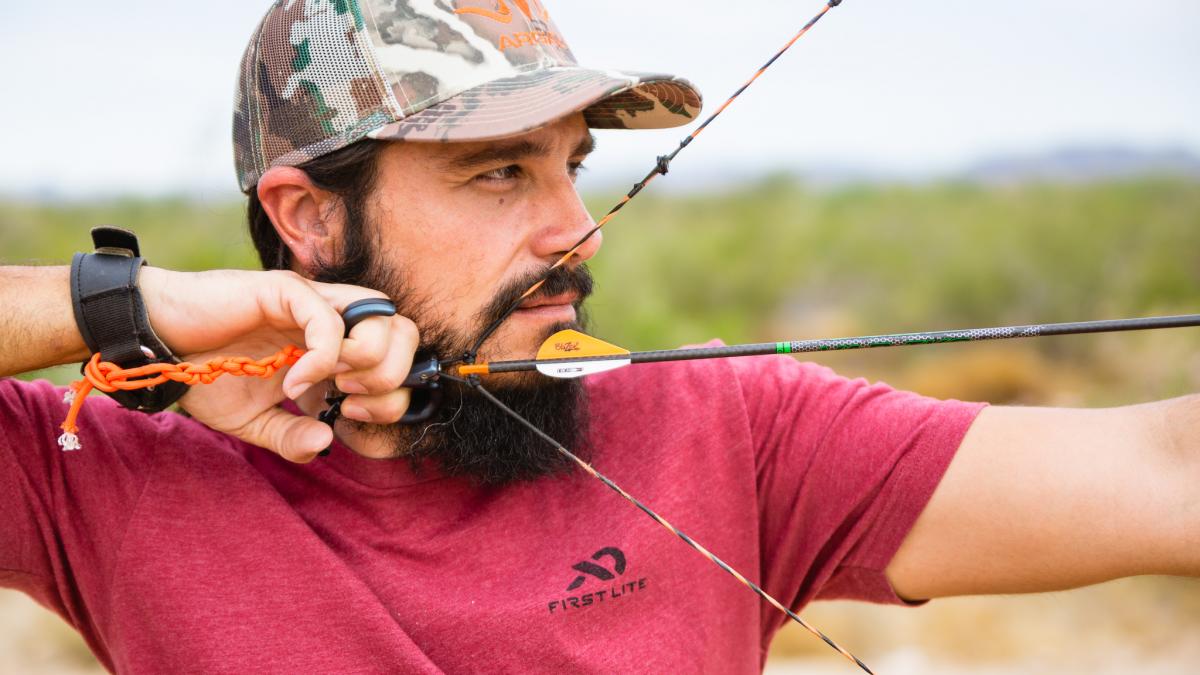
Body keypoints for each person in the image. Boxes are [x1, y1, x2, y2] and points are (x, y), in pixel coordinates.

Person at [1, 1, 1196, 672]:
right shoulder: (108, 465)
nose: (578, 231)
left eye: (573, 167)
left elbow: (1168, 474)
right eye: (497, 175)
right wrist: (122, 310)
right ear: (310, 219)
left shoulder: (732, 430)